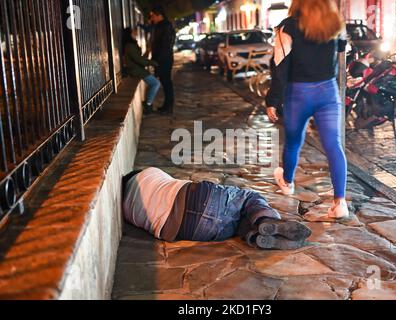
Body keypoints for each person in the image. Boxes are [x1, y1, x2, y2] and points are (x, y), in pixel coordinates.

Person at [265, 0, 349, 219]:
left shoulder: (288, 26)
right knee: (333, 145)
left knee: (293, 141)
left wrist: (272, 100)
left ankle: (287, 182)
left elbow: (280, 66)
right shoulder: (335, 24)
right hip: (328, 90)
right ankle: (340, 203)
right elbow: (342, 49)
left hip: (298, 92)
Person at [122, 168, 312, 250]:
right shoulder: (148, 173)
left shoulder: (126, 212)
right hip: (198, 197)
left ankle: (255, 236)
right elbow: (175, 183)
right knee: (250, 198)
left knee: (236, 227)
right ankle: (265, 221)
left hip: (187, 229)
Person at [123, 28, 160, 114]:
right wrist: (153, 63)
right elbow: (138, 59)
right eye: (133, 32)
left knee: (154, 83)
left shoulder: (132, 44)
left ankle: (147, 103)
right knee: (155, 83)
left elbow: (139, 58)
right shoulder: (129, 45)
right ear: (129, 34)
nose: (135, 33)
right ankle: (147, 105)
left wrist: (147, 53)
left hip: (138, 68)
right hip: (135, 69)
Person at [149, 6, 176, 115]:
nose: (152, 18)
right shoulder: (161, 25)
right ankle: (167, 106)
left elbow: (165, 45)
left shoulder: (165, 26)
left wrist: (158, 60)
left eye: (153, 16)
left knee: (166, 83)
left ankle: (168, 107)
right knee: (165, 83)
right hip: (163, 59)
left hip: (164, 60)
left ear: (159, 15)